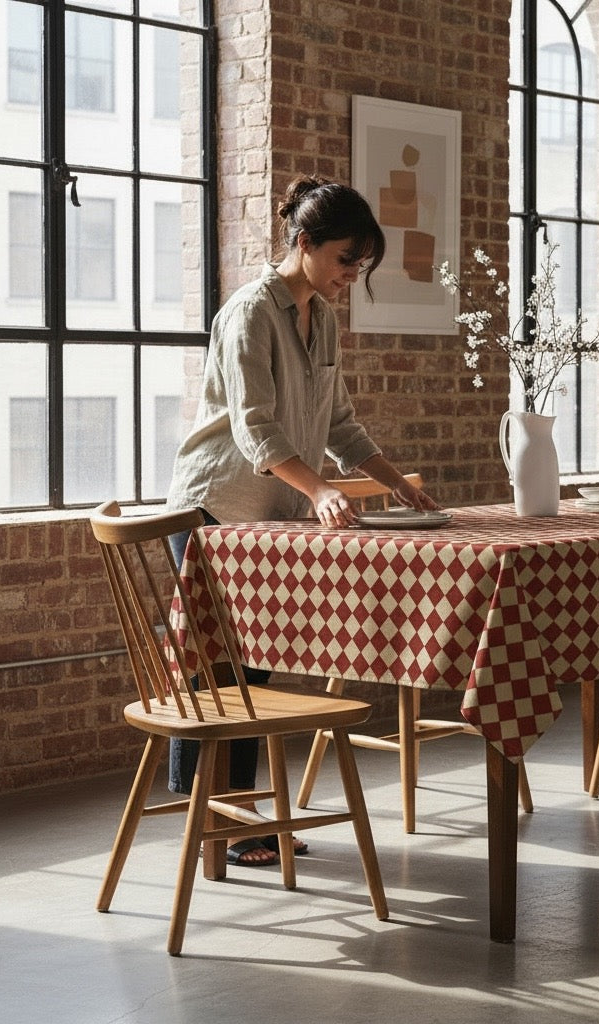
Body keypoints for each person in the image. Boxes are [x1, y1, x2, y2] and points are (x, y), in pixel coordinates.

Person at [166, 176, 439, 865]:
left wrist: (393, 482)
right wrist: (319, 492)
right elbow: (256, 428)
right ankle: (224, 826)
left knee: (249, 674)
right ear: (305, 243)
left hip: (267, 517)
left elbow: (339, 422)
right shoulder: (249, 313)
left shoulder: (320, 316)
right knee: (222, 681)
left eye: (360, 265)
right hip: (214, 507)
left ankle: (235, 823)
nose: (353, 275)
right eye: (347, 260)